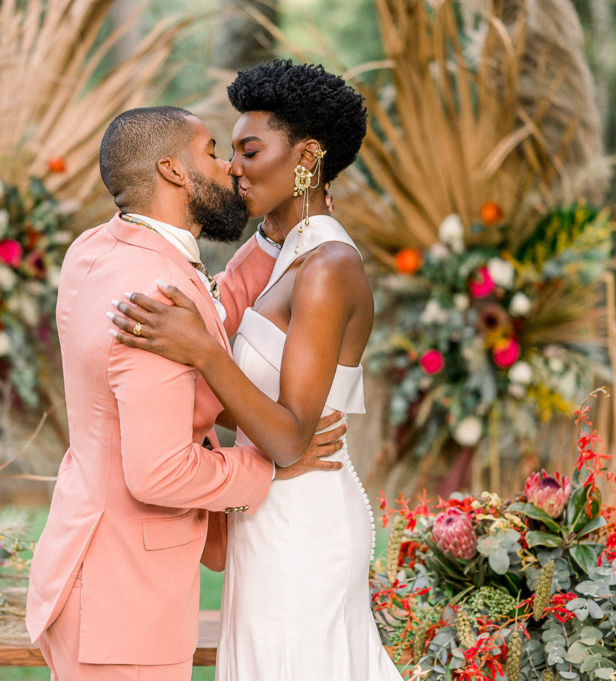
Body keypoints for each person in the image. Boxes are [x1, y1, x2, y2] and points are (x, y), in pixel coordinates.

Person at [26, 105, 345, 681]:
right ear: (173, 171)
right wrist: (271, 467)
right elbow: (160, 474)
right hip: (123, 602)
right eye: (213, 152)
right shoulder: (156, 292)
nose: (230, 168)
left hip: (86, 566)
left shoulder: (99, 248)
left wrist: (270, 239)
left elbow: (209, 304)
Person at [109, 62, 402, 680]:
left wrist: (204, 351)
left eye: (249, 150)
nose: (233, 167)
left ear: (307, 157)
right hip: (264, 513)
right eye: (230, 151)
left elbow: (291, 438)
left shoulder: (326, 268)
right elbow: (223, 295)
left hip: (303, 523)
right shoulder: (280, 249)